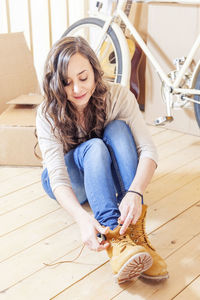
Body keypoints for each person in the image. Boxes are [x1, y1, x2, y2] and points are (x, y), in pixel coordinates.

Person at [36, 36, 168, 284]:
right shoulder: (47, 112)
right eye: (66, 83)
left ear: (95, 72)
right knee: (94, 146)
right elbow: (57, 175)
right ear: (56, 84)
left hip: (104, 172)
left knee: (119, 128)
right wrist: (82, 218)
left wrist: (135, 193)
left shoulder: (118, 96)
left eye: (83, 78)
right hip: (70, 181)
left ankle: (135, 233)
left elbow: (149, 151)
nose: (77, 89)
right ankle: (115, 238)